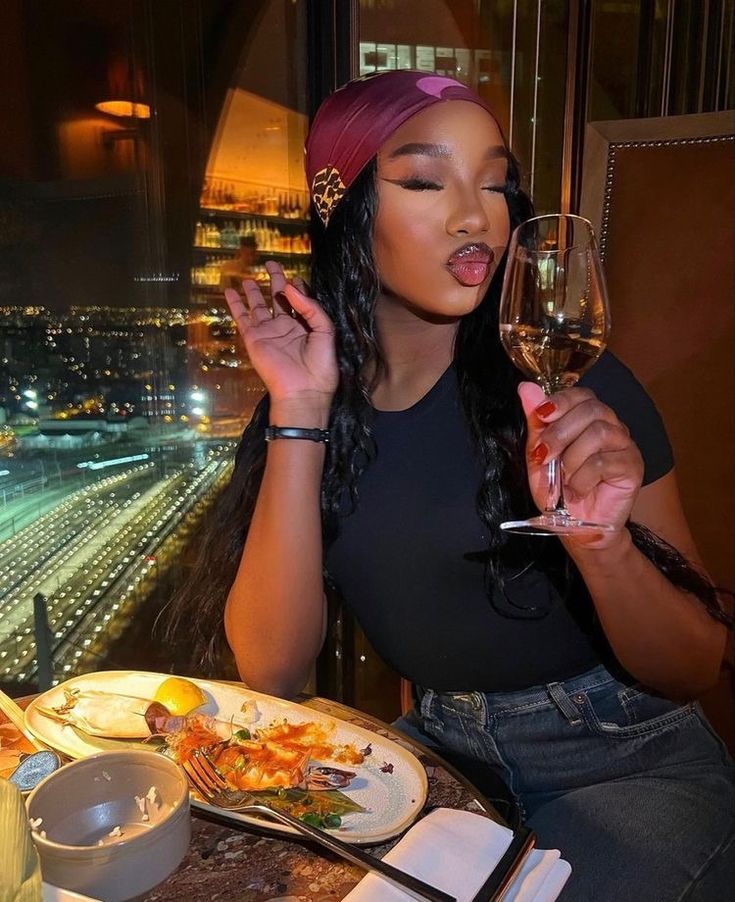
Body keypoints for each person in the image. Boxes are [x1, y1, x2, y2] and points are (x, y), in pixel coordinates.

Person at [170, 71, 734, 899]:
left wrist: (599, 544)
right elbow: (273, 668)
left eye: (496, 182)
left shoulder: (570, 389)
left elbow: (695, 664)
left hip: (618, 759)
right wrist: (299, 407)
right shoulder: (311, 399)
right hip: (425, 757)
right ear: (347, 207)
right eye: (425, 180)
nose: (477, 216)